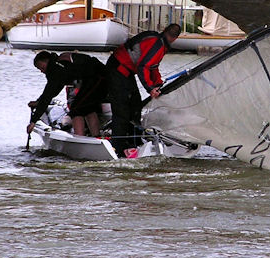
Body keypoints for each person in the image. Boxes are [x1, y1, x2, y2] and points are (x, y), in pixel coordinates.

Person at [105, 23, 181, 157]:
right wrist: (150, 88)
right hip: (117, 69)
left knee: (135, 105)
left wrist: (158, 83)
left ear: (164, 30)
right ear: (175, 39)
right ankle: (118, 146)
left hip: (126, 72)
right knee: (122, 108)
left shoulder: (159, 41)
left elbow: (153, 67)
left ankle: (134, 141)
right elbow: (143, 67)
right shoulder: (157, 44)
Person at [26, 51, 108, 138]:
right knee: (87, 107)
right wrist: (39, 102)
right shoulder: (59, 65)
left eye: (41, 67)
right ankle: (96, 136)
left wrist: (33, 122)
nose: (42, 71)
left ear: (47, 61)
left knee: (76, 109)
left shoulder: (56, 69)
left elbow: (48, 94)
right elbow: (54, 91)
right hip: (99, 77)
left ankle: (79, 138)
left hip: (99, 78)